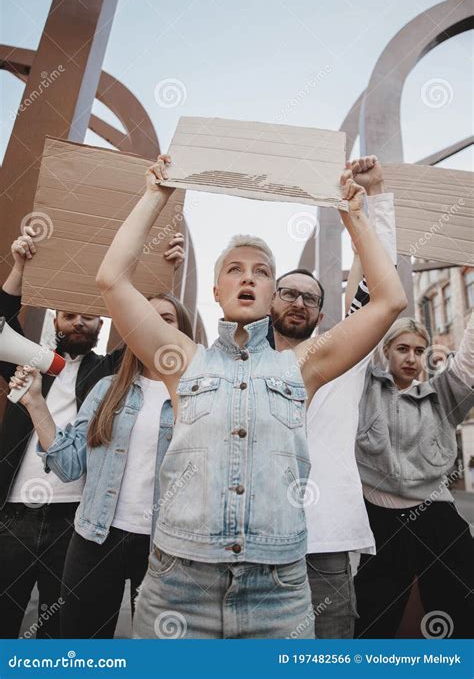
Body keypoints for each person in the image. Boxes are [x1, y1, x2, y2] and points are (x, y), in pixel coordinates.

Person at [94, 152, 407, 639]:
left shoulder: (305, 366)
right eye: (235, 270)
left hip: (279, 593)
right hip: (178, 587)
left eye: (261, 271)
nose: (247, 277)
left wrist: (355, 215)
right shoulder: (183, 360)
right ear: (217, 291)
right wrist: (155, 195)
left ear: (270, 294)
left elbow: (389, 300)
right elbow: (112, 279)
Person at [0, 227, 184, 638]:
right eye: (70, 315)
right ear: (55, 320)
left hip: (76, 521)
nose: (80, 322)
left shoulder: (110, 375)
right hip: (12, 515)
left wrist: (163, 274)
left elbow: (149, 326)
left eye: (89, 316)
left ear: (104, 323)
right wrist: (19, 266)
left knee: (61, 634)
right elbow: (0, 325)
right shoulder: (29, 362)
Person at [270, 155, 397, 638]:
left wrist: (374, 201)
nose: (299, 302)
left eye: (311, 298)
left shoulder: (343, 362)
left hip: (324, 543)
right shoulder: (240, 365)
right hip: (251, 545)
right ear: (271, 303)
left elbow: (377, 287)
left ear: (323, 316)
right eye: (288, 293)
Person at [354, 314, 474, 638]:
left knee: (462, 606)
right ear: (386, 351)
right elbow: (354, 334)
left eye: (419, 351)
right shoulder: (361, 390)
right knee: (372, 616)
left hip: (436, 514)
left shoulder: (442, 394)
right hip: (380, 518)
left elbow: (468, 363)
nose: (411, 358)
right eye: (402, 349)